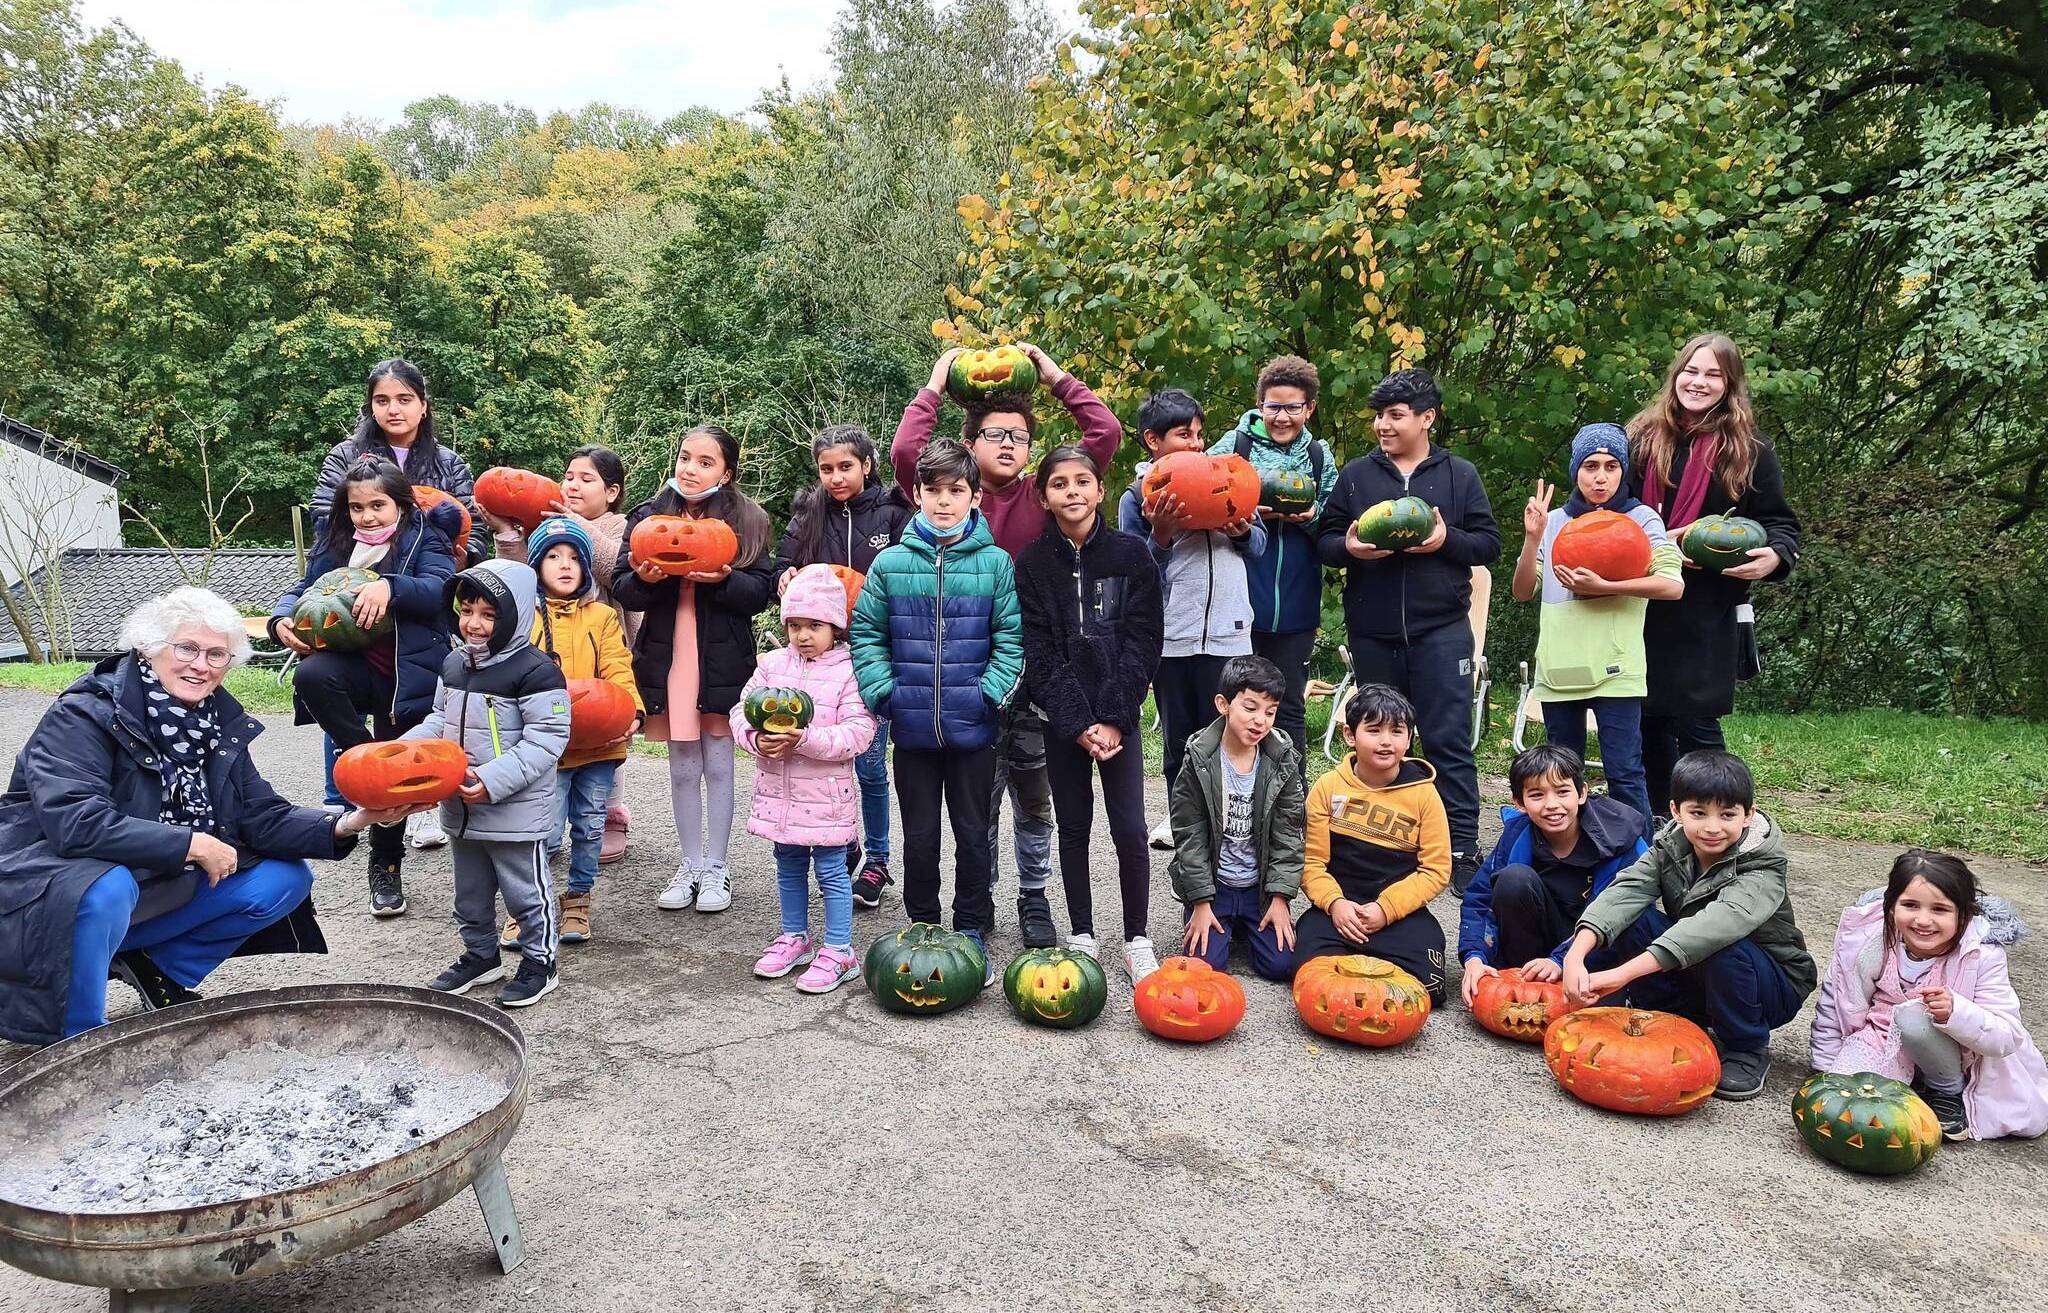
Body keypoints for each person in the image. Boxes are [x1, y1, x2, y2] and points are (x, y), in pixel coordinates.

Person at [0, 588, 412, 1045]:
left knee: (282, 879)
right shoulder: (84, 714)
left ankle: (155, 967)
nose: (201, 664)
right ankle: (80, 1036)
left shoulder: (213, 720)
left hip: (152, 876)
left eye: (217, 654)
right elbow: (75, 821)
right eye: (187, 648)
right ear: (149, 648)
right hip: (48, 887)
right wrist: (191, 843)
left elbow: (258, 814)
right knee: (106, 887)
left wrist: (353, 820)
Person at [893, 344, 1120, 936]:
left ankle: (1033, 895)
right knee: (979, 804)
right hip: (968, 674)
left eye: (1019, 436)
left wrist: (1053, 375)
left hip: (1036, 671)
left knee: (1034, 794)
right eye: (994, 434)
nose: (1008, 444)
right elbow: (904, 453)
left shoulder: (1040, 498)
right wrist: (938, 381)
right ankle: (981, 899)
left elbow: (1104, 434)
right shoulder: (957, 497)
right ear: (970, 446)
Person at [1316, 367, 1499, 893]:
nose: (1383, 425)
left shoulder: (1459, 474)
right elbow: (1325, 541)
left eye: (1395, 415)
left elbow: (1487, 545)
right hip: (1373, 632)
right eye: (1379, 415)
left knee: (1448, 740)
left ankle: (1461, 847)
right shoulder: (1355, 476)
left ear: (1427, 418)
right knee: (1379, 743)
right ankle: (1382, 844)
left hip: (1441, 630)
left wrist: (1445, 540)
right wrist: (1347, 548)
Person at [850, 439, 1025, 978]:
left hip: (974, 730)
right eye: (933, 491)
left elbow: (1011, 641)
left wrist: (987, 695)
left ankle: (972, 924)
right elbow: (867, 635)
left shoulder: (995, 564)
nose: (943, 502)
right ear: (917, 493)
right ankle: (922, 922)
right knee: (920, 836)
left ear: (975, 497)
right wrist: (886, 695)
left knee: (974, 833)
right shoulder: (890, 564)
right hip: (912, 732)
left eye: (956, 491)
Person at [1563, 750, 1817, 1100]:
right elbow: (1625, 892)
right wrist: (1575, 955)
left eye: (1727, 815)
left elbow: (1711, 928)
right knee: (1633, 917)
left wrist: (1621, 974)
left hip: (1769, 985)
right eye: (1698, 813)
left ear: (1748, 815)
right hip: (1698, 970)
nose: (1712, 827)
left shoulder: (1764, 867)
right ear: (1676, 812)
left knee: (1722, 944)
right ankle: (1671, 1017)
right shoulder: (1670, 845)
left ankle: (1746, 1046)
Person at [268, 457, 458, 917]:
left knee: (400, 759)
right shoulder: (336, 543)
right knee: (312, 676)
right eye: (357, 508)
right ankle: (368, 762)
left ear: (400, 505)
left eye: (378, 505)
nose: (368, 516)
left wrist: (389, 587)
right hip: (356, 672)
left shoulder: (424, 537)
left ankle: (386, 864)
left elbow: (440, 588)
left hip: (406, 678)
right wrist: (280, 619)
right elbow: (304, 589)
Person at [1626, 333, 1801, 814]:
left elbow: (1779, 523)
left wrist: (1776, 555)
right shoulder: (1639, 438)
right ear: (1676, 375)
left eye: (1712, 375)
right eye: (1691, 371)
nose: (1698, 382)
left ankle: (1723, 822)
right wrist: (1654, 540)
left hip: (1705, 611)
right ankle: (1659, 824)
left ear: (1729, 385)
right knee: (1645, 725)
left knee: (1697, 728)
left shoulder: (1750, 450)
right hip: (1640, 601)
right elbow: (1608, 508)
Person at [307, 360, 481, 833]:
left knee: (409, 700)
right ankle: (346, 788)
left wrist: (450, 563)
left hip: (419, 589)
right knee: (336, 678)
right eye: (382, 400)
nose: (393, 409)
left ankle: (414, 790)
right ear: (371, 406)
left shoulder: (448, 464)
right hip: (353, 585)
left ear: (423, 406)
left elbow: (469, 525)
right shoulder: (347, 456)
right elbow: (328, 517)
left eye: (404, 399)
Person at [611, 424, 776, 916]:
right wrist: (643, 578)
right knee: (683, 765)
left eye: (706, 462)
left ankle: (717, 867)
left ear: (727, 473)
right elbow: (623, 586)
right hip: (669, 654)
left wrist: (725, 580)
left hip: (722, 657)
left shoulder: (749, 519)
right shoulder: (648, 515)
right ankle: (689, 863)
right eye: (686, 457)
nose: (691, 468)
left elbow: (761, 592)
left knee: (720, 762)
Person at [1018, 445, 1165, 977]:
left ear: (1101, 490)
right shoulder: (1033, 563)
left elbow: (1144, 640)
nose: (1073, 492)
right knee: (1074, 824)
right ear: (1044, 496)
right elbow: (1038, 652)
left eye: (1083, 481)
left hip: (1118, 717)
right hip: (1063, 722)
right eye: (1060, 484)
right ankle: (1082, 932)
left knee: (1129, 827)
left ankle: (1137, 936)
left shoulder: (1131, 554)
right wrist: (1077, 723)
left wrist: (1113, 714)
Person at [413, 560, 571, 1008]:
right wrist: (398, 754)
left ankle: (541, 962)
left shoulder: (537, 671)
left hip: (513, 807)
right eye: (467, 611)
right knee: (469, 893)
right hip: (461, 806)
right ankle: (481, 955)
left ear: (515, 614)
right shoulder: (453, 663)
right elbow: (439, 720)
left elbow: (547, 741)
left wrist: (491, 780)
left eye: (488, 614)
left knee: (526, 891)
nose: (474, 624)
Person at [1510, 423, 1683, 824]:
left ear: (1624, 470)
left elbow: (1672, 585)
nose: (1600, 477)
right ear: (1575, 471)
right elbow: (1522, 591)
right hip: (1559, 669)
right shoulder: (1551, 520)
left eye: (1610, 466)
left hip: (1616, 669)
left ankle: (1638, 863)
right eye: (1590, 466)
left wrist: (1608, 585)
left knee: (1624, 772)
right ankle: (1568, 855)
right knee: (1560, 776)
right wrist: (1533, 539)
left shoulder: (1642, 519)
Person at [1812, 850, 2048, 1141]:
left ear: (1964, 914)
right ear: (1891, 907)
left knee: (1912, 1016)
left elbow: (2008, 1035)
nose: (1923, 920)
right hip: (1878, 1039)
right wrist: (1824, 1070)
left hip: (1953, 1049)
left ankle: (1947, 1092)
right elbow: (1835, 1002)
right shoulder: (1866, 942)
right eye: (1910, 905)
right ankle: (1909, 1086)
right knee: (1843, 1113)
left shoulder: (1983, 955)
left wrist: (1956, 1012)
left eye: (1939, 910)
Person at [773, 424, 913, 909]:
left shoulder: (895, 512)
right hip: (819, 657)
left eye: (845, 467)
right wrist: (784, 576)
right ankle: (846, 841)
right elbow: (781, 566)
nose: (835, 477)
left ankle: (877, 859)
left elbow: (910, 573)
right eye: (826, 468)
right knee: (824, 757)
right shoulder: (808, 514)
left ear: (867, 465)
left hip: (878, 652)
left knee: (871, 764)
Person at [1119, 388, 1264, 849]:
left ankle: (1232, 825)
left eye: (1200, 435)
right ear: (1152, 441)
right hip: (1174, 638)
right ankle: (1187, 828)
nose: (1197, 445)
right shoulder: (1136, 497)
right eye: (1185, 435)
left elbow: (1258, 547)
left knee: (1231, 734)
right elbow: (1134, 571)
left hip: (1230, 634)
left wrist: (1241, 533)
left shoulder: (1227, 480)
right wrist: (1161, 534)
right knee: (1181, 740)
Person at [486, 444, 642, 864]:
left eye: (586, 479)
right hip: (552, 634)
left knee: (602, 723)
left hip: (602, 632)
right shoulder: (545, 525)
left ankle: (609, 813)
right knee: (551, 724)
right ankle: (543, 813)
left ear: (611, 492)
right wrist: (508, 532)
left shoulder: (621, 525)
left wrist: (572, 524)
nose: (572, 485)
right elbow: (519, 574)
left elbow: (614, 565)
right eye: (568, 476)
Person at [732, 566, 878, 994]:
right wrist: (758, 738)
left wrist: (807, 739)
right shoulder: (772, 666)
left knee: (833, 870)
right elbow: (740, 712)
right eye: (794, 625)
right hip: (781, 794)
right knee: (789, 864)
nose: (803, 635)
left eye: (814, 625)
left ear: (835, 626)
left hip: (828, 796)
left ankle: (839, 948)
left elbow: (859, 732)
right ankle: (794, 935)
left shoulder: (850, 671)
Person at [500, 518, 642, 948]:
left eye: (576, 557)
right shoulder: (524, 619)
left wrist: (631, 707)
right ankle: (525, 906)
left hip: (599, 745)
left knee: (589, 827)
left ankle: (578, 899)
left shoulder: (601, 617)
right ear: (536, 566)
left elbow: (618, 665)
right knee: (540, 830)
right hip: (545, 749)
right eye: (554, 557)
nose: (566, 565)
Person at [1213, 356, 1337, 769]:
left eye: (1293, 407)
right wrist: (1245, 512)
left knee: (1287, 708)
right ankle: (1227, 795)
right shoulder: (1235, 445)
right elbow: (1203, 492)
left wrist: (1312, 517)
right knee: (1235, 705)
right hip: (1240, 601)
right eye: (1273, 407)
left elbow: (1336, 525)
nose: (1282, 417)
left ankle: (1289, 801)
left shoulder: (1319, 457)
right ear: (1259, 404)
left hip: (1298, 604)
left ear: (1310, 408)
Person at [1457, 744, 1650, 1007]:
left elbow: (1616, 914)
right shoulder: (1516, 834)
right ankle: (1524, 975)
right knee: (1513, 880)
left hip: (1597, 950)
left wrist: (1560, 960)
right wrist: (1474, 957)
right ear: (1519, 803)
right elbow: (1480, 898)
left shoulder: (1622, 840)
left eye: (1562, 792)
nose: (1552, 805)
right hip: (1537, 942)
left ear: (1582, 793)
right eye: (1537, 795)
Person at [1293, 684, 1450, 1003]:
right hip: (1339, 907)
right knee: (1303, 971)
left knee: (1430, 987)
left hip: (1398, 911)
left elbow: (1435, 870)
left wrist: (1385, 909)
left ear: (1409, 739)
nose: (1385, 741)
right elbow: (1310, 863)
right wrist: (1335, 904)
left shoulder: (1424, 794)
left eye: (1396, 731)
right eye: (1374, 730)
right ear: (1350, 735)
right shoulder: (1328, 787)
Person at [1170, 656, 1304, 983]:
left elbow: (1289, 835)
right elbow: (1190, 834)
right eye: (1250, 707)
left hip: (1258, 888)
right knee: (1206, 969)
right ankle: (1218, 918)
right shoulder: (1199, 759)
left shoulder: (1281, 761)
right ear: (1223, 705)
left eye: (1269, 712)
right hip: (1216, 886)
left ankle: (1246, 922)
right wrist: (1201, 901)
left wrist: (1280, 898)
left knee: (1283, 965)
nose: (1260, 721)